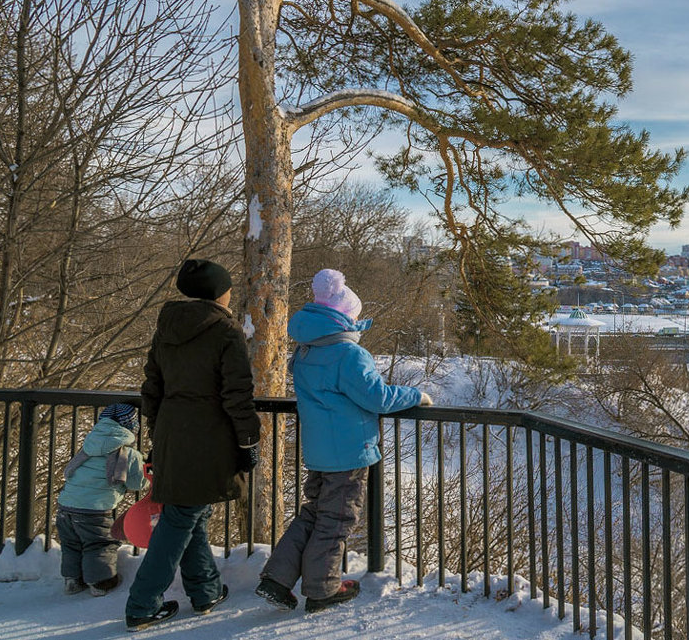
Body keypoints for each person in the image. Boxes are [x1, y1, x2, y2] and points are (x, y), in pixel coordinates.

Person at [256, 269, 432, 614]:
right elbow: (377, 398)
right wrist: (416, 395)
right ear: (345, 318)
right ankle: (323, 588)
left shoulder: (306, 352)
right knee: (336, 519)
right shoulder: (348, 355)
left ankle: (276, 578)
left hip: (319, 451)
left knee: (313, 513)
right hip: (349, 453)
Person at [124, 259, 261, 632]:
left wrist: (157, 431)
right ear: (219, 292)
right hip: (208, 436)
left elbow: (151, 388)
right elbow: (237, 394)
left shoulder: (166, 328)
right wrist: (249, 440)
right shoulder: (226, 331)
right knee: (182, 515)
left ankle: (206, 590)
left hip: (172, 431)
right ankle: (141, 604)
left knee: (192, 511)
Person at [56, 402, 148, 596]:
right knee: (98, 543)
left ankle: (72, 580)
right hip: (94, 510)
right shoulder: (129, 454)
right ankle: (100, 582)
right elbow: (137, 483)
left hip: (66, 506)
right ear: (132, 428)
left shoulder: (88, 447)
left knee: (72, 543)